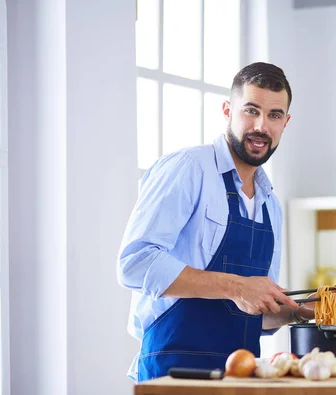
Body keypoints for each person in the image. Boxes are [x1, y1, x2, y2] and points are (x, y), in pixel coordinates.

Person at [117, 62, 319, 382]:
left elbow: (254, 312)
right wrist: (236, 286)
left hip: (242, 376)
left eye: (274, 115)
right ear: (228, 110)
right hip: (174, 372)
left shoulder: (270, 205)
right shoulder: (188, 168)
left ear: (285, 123)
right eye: (250, 110)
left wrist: (296, 311)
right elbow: (135, 263)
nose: (261, 126)